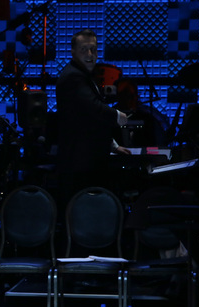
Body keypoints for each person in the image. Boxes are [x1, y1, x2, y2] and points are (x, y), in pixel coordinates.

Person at [56, 29, 130, 205]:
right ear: (73, 52)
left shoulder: (82, 75)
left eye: (93, 49)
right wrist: (117, 115)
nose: (90, 54)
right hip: (79, 163)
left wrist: (112, 145)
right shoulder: (73, 77)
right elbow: (93, 108)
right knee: (82, 212)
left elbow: (88, 121)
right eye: (84, 49)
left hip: (85, 161)